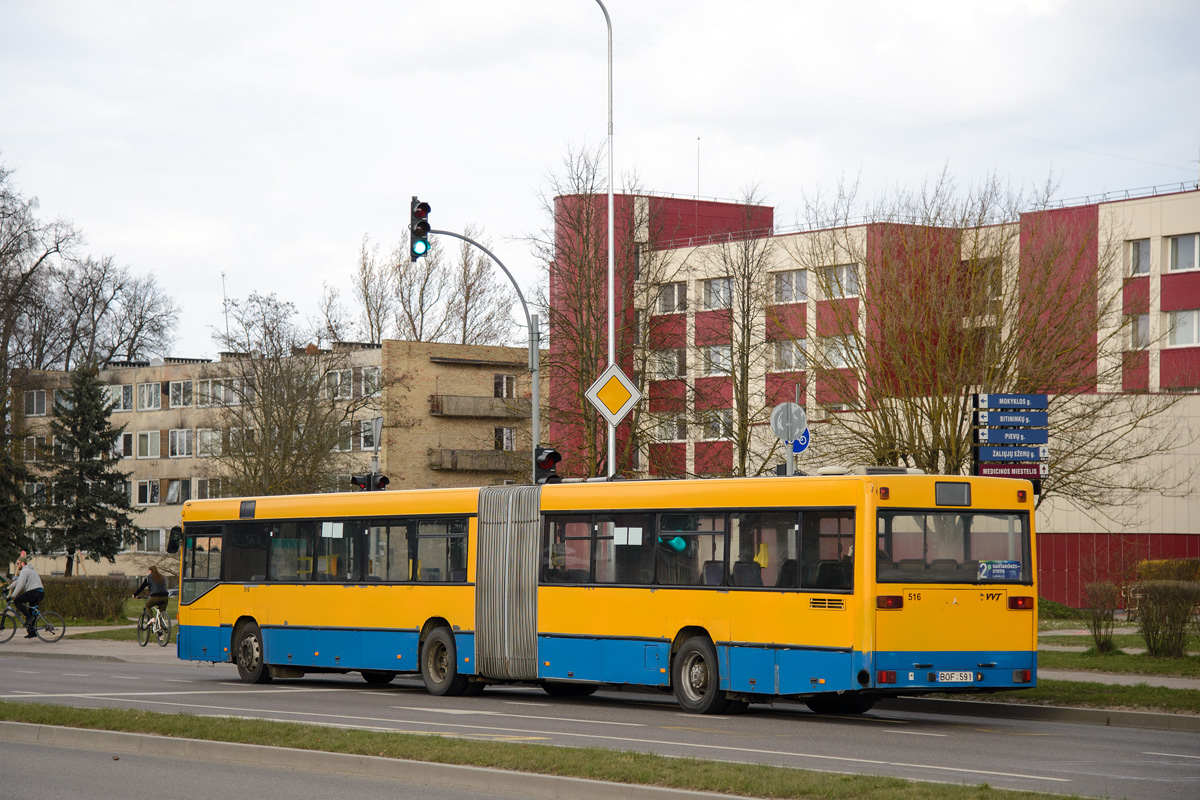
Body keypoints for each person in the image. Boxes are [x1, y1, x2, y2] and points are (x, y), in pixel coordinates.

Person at [7, 557, 45, 639]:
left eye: (18, 563)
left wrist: (13, 596)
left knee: (17, 601)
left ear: (22, 563)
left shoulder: (25, 571)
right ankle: (32, 632)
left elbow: (21, 584)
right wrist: (8, 587)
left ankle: (29, 618)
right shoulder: (29, 570)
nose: (17, 566)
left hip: (35, 592)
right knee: (31, 611)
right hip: (39, 592)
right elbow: (18, 581)